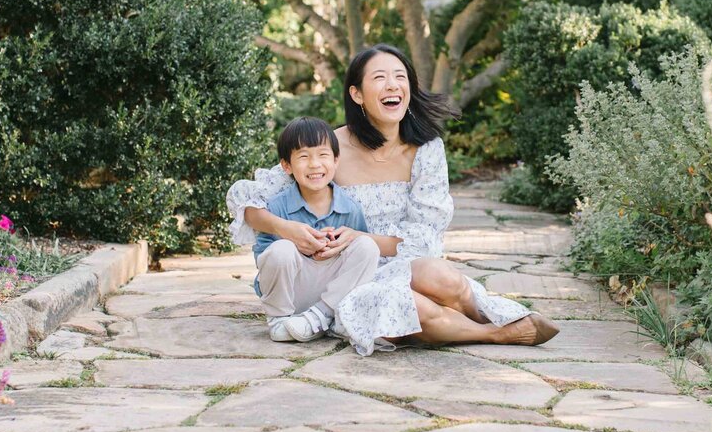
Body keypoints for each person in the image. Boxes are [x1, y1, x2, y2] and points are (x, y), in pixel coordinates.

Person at [228, 43, 559, 356]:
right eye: (380, 78)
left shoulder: (427, 150)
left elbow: (424, 235)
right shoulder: (329, 148)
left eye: (400, 77)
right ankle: (498, 333)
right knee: (411, 307)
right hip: (349, 271)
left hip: (401, 259)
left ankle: (485, 316)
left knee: (442, 277)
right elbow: (251, 202)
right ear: (356, 94)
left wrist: (361, 237)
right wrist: (289, 230)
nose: (393, 85)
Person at [252, 117, 378, 342]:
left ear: (336, 160)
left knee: (367, 246)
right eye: (303, 156)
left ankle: (322, 316)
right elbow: (264, 260)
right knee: (280, 249)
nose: (315, 164)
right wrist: (297, 247)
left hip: (331, 294)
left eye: (323, 155)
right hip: (292, 290)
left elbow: (357, 262)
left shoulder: (349, 207)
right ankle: (279, 319)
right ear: (287, 166)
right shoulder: (277, 207)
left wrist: (335, 246)